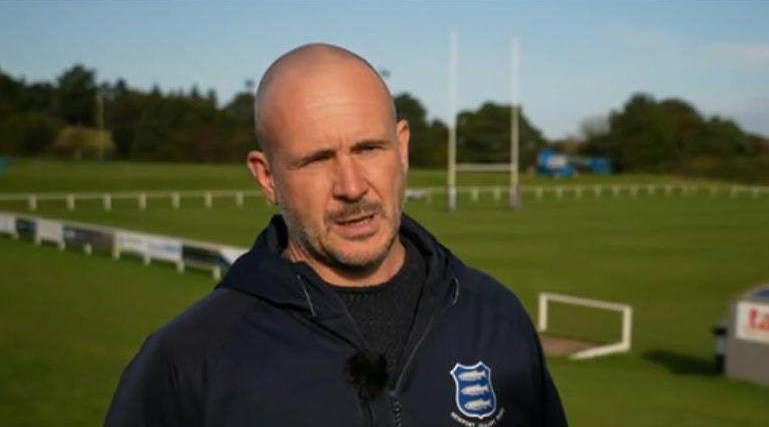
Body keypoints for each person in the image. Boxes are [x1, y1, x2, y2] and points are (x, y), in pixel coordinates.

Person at [104, 43, 567, 427]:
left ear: (402, 148)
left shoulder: (495, 317)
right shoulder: (189, 359)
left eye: (369, 148)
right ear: (267, 177)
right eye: (316, 159)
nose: (351, 187)